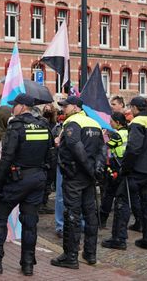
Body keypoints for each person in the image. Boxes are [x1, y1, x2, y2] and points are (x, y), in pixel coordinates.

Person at [0, 94, 52, 276]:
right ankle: (27, 264)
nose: (13, 108)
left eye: (15, 105)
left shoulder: (15, 126)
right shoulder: (43, 125)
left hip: (17, 180)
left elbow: (7, 157)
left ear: (23, 106)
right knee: (30, 223)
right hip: (37, 178)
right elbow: (50, 155)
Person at [51, 96, 106, 269]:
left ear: (75, 107)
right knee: (90, 215)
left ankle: (70, 256)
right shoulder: (94, 123)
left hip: (75, 176)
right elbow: (102, 149)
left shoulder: (72, 122)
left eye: (65, 106)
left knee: (72, 215)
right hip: (89, 178)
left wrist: (90, 168)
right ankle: (90, 254)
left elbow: (76, 146)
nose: (63, 109)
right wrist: (97, 170)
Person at [102, 96, 147, 251]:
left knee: (122, 203)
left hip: (136, 171)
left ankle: (119, 239)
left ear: (134, 108)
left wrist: (125, 169)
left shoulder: (137, 123)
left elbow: (133, 149)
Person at [99, 112, 142, 230]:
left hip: (116, 167)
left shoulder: (117, 135)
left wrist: (102, 137)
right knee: (132, 197)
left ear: (118, 123)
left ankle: (102, 220)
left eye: (111, 121)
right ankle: (139, 221)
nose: (109, 123)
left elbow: (106, 146)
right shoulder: (130, 132)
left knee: (109, 194)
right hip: (128, 167)